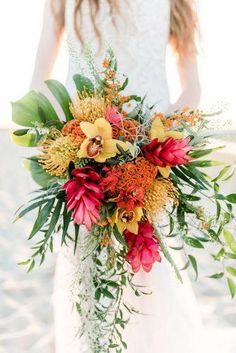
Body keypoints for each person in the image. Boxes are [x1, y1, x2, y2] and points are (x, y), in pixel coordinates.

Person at [30, 1, 206, 353]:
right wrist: (65, 141)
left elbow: (192, 89)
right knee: (85, 281)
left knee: (148, 276)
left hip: (149, 166)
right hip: (82, 164)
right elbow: (39, 83)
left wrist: (156, 145)